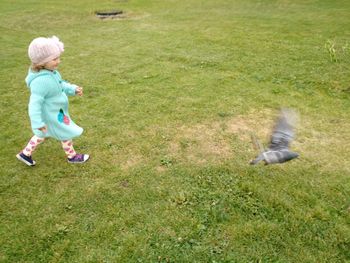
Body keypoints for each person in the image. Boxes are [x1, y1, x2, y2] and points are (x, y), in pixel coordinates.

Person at [16, 36, 89, 166]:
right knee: (64, 131)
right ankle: (72, 156)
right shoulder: (40, 81)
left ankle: (25, 154)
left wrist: (73, 89)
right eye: (54, 59)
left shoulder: (52, 72)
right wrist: (37, 122)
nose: (58, 61)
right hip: (50, 114)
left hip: (55, 111)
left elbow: (60, 84)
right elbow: (34, 104)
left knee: (42, 135)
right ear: (41, 62)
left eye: (58, 57)